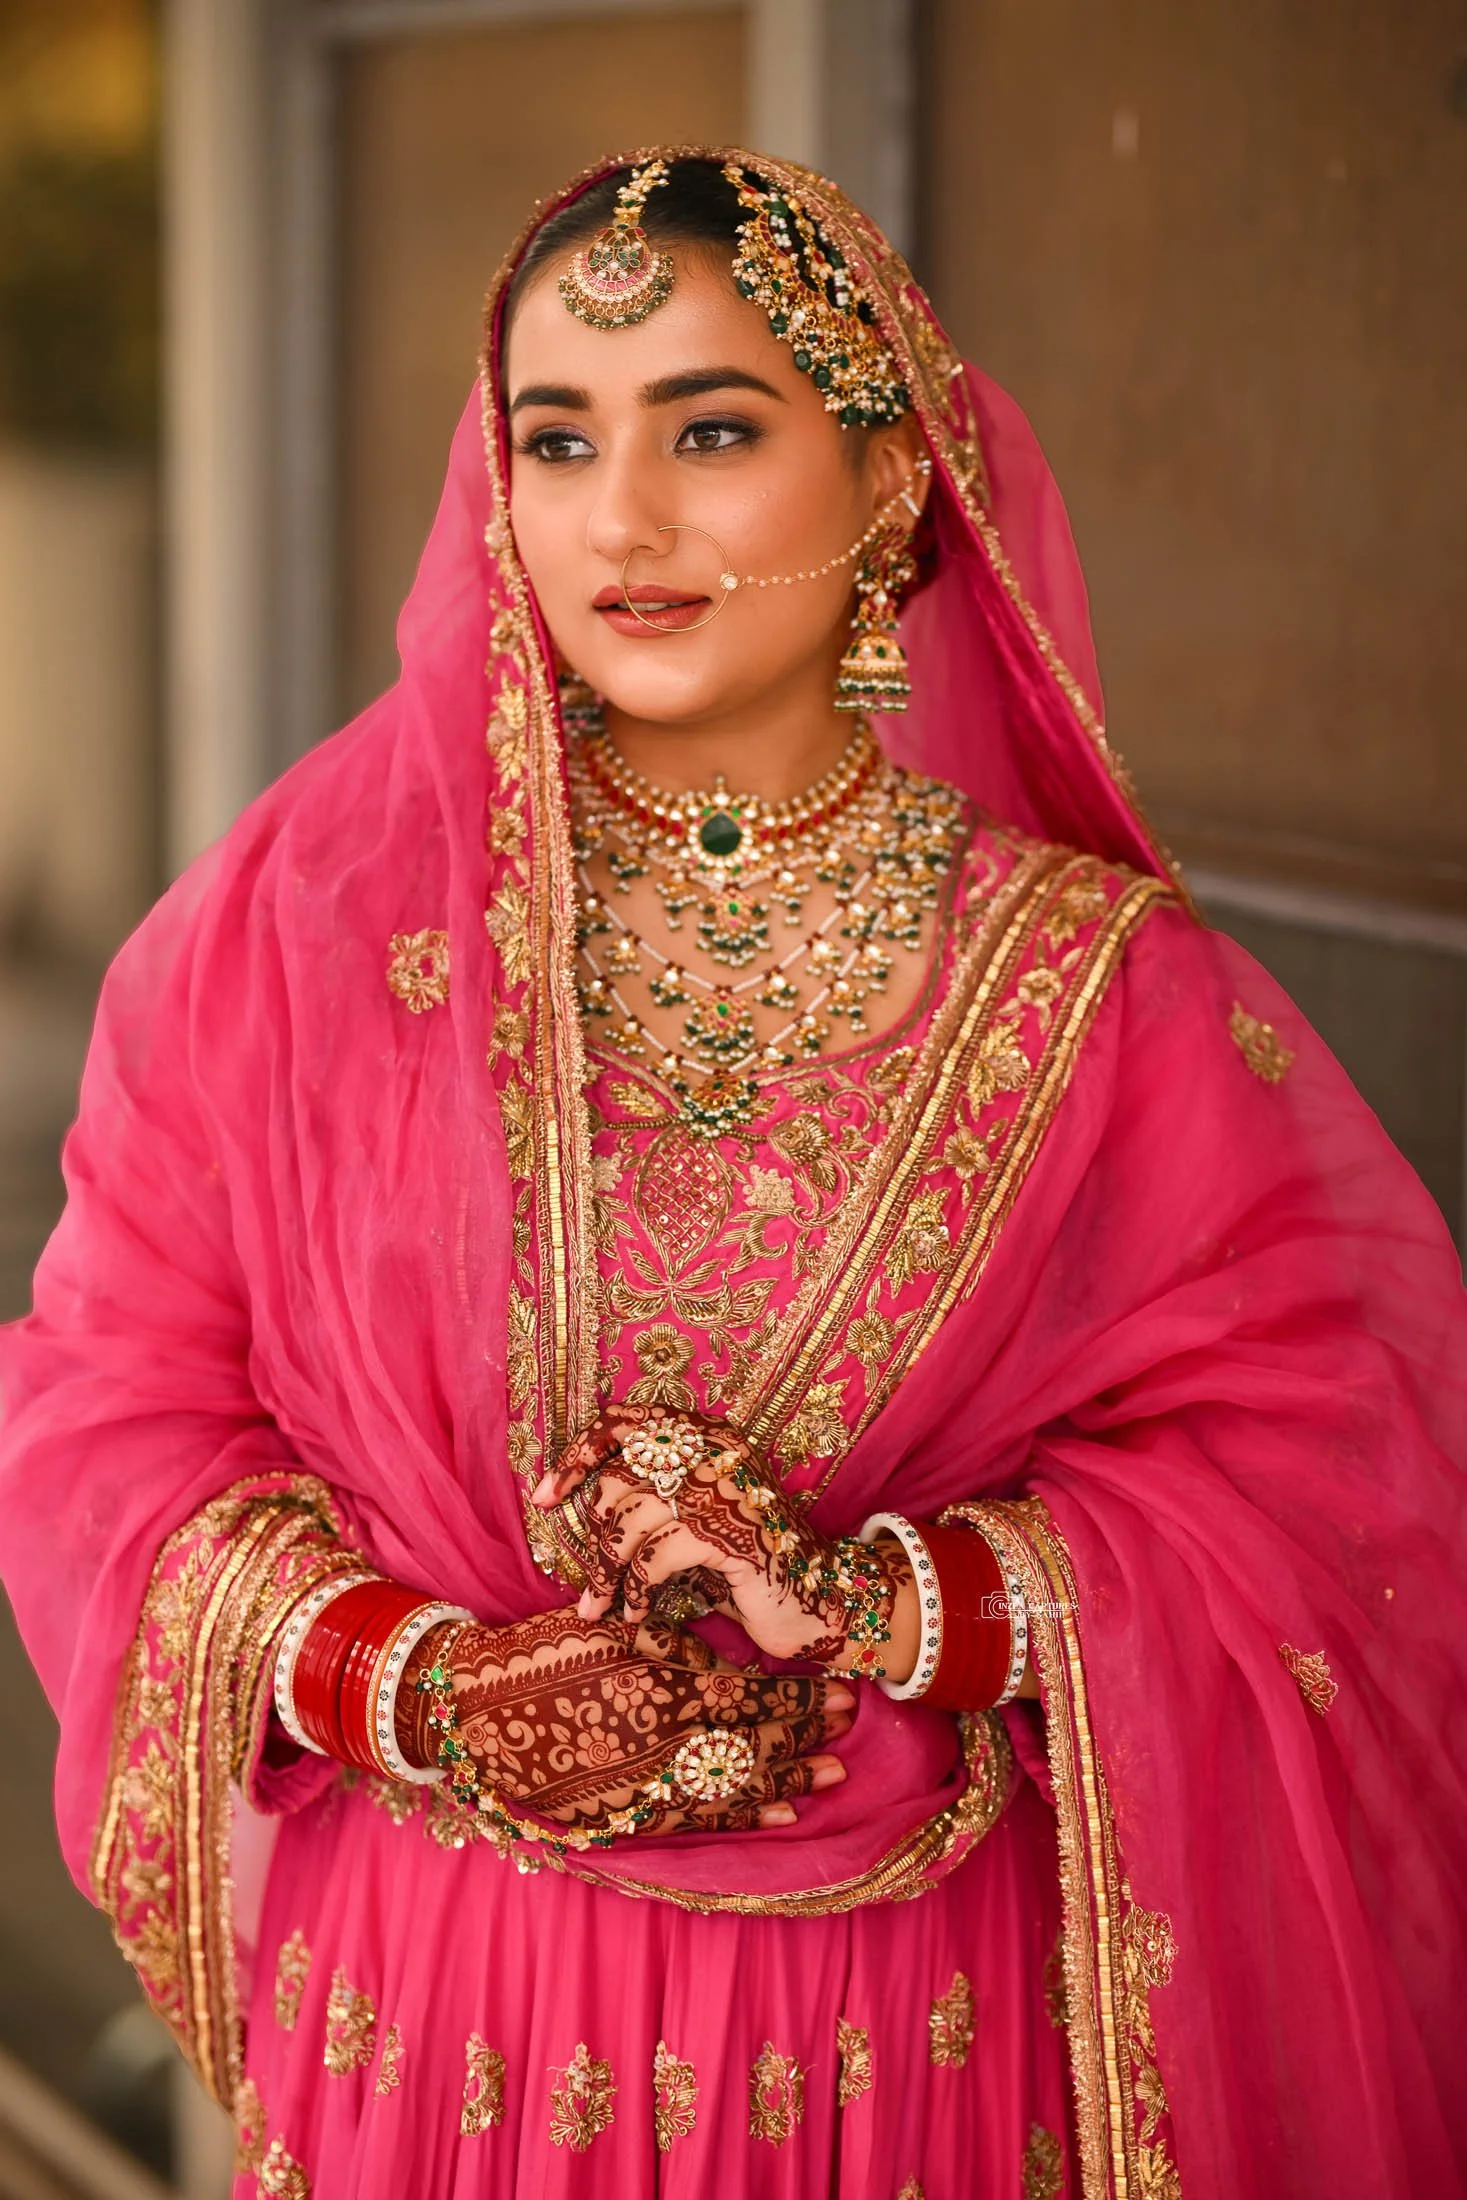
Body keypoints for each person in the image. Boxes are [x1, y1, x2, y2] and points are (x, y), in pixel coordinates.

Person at [0, 147, 1463, 2200]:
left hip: (902, 2028)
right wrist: (419, 1682)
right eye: (554, 439)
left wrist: (875, 1604)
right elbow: (108, 1405)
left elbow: (1324, 1502)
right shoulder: (312, 936)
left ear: (891, 479)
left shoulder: (1097, 991)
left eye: (708, 429)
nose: (620, 517)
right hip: (439, 2000)